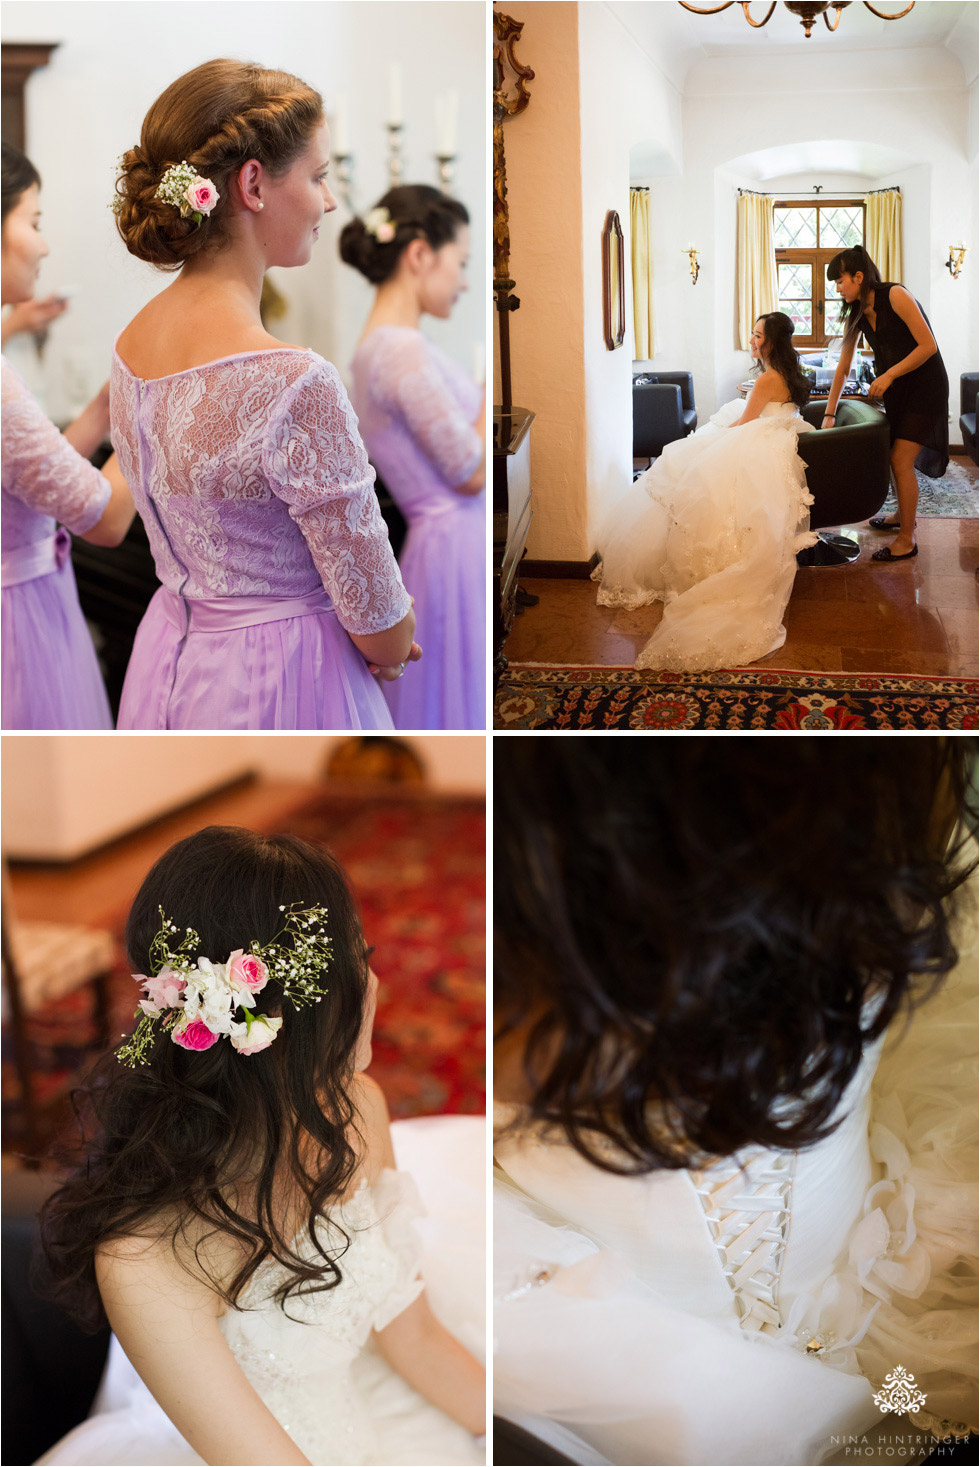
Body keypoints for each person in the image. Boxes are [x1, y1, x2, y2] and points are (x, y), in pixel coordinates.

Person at [493, 739, 977, 1467]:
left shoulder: (878, 818)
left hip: (876, 1290)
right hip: (631, 1349)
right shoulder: (878, 808)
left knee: (900, 1417)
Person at [37, 825, 485, 1466]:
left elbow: (415, 1338)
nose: (378, 985)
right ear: (297, 1012)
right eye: (360, 961)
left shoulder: (359, 1109)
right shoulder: (144, 1261)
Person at [110, 60, 420, 730]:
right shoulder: (296, 381)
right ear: (252, 183)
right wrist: (394, 643)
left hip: (165, 659)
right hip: (283, 680)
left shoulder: (128, 346)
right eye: (318, 175)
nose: (331, 201)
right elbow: (381, 624)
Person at [593, 312, 816, 673]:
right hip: (778, 442)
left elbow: (746, 424)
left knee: (687, 462)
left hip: (758, 440)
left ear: (771, 342)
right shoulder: (791, 375)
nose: (752, 340)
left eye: (758, 335)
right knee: (697, 456)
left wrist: (714, 436)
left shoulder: (767, 379)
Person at [342, 186, 486, 731]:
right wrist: (486, 383)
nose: (467, 280)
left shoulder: (380, 346)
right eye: (463, 262)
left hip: (443, 540)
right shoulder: (397, 348)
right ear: (420, 255)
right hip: (450, 541)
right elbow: (470, 471)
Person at [1, 142, 134, 729]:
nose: (45, 244)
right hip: (18, 623)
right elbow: (103, 518)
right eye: (33, 221)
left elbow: (31, 474)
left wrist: (106, 408)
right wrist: (144, 418)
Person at [824, 245, 949, 563]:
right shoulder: (856, 312)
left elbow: (928, 346)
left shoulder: (895, 295)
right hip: (899, 390)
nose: (838, 289)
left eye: (840, 282)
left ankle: (907, 539)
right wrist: (829, 412)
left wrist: (889, 374)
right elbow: (843, 366)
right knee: (895, 455)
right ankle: (900, 515)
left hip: (926, 387)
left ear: (858, 276)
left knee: (900, 459)